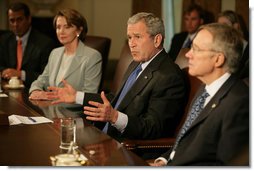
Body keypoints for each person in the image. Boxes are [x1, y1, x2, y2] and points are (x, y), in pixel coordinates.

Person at [46, 12, 188, 142]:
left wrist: (114, 117)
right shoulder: (136, 63)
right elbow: (118, 99)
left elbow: (153, 127)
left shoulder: (169, 76)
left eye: (137, 37)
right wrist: (76, 96)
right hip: (103, 134)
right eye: (129, 37)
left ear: (157, 40)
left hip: (126, 146)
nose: (131, 44)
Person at [150, 23, 249, 166]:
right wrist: (164, 161)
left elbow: (226, 165)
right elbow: (186, 140)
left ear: (218, 59)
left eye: (196, 49)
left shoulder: (238, 103)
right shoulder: (205, 88)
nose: (188, 54)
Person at [29, 9, 102, 100]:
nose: (61, 32)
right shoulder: (55, 53)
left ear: (79, 31)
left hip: (74, 112)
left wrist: (50, 97)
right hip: (51, 108)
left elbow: (89, 95)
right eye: (58, 27)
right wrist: (36, 91)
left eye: (67, 27)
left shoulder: (92, 57)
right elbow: (42, 80)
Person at [0, 2, 56, 87]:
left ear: (29, 19)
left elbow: (47, 77)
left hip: (31, 90)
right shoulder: (4, 40)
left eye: (19, 19)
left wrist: (21, 74)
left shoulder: (45, 43)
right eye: (12, 20)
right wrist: (5, 71)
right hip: (7, 88)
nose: (15, 24)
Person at [217, 10, 249, 79]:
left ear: (236, 26)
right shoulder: (218, 46)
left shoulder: (248, 48)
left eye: (224, 25)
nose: (221, 29)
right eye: (219, 26)